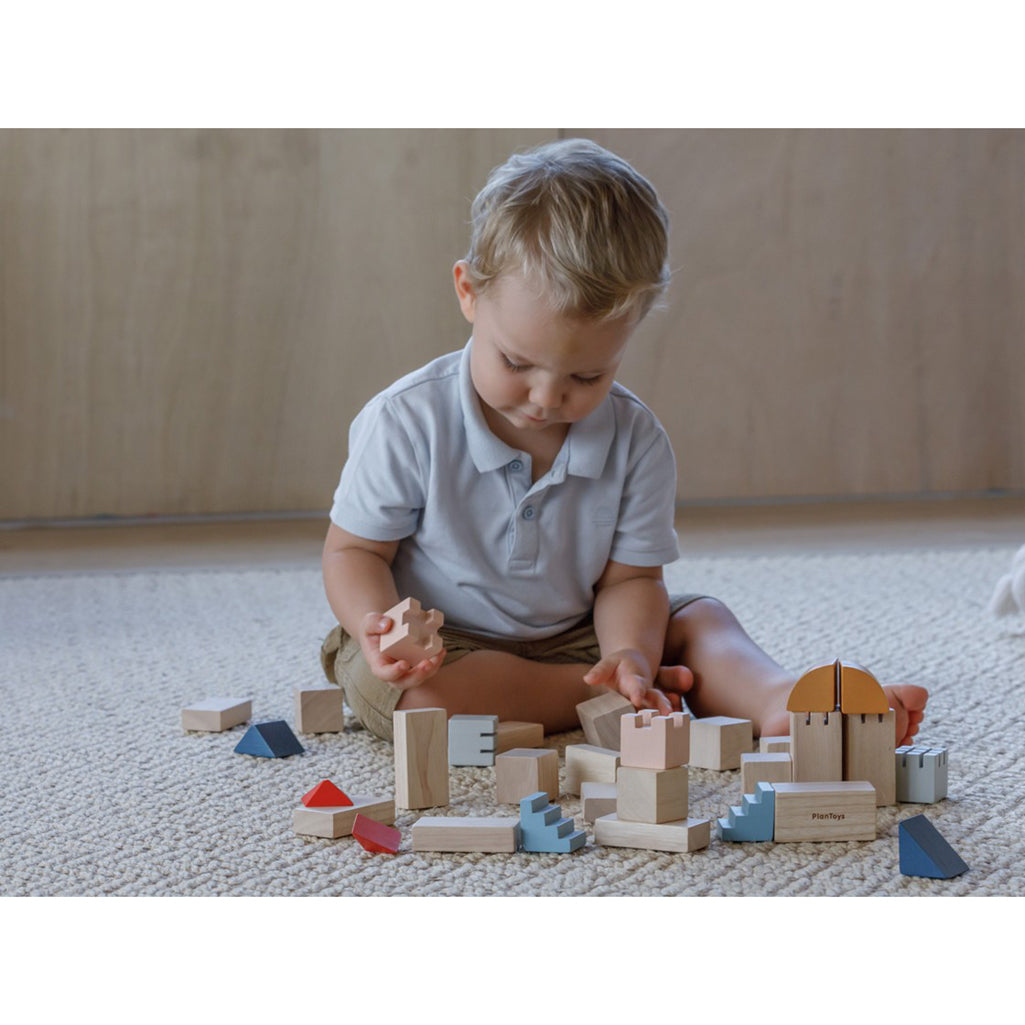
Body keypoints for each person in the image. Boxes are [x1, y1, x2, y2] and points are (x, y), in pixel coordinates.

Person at [320, 138, 927, 746]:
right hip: (446, 647)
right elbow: (355, 553)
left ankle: (780, 702)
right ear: (468, 292)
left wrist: (629, 652)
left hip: (584, 637)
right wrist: (375, 627)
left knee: (699, 619)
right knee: (417, 703)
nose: (546, 397)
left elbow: (630, 583)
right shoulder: (407, 420)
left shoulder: (636, 441)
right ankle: (605, 697)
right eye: (516, 362)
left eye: (587, 376)